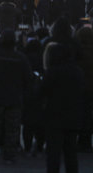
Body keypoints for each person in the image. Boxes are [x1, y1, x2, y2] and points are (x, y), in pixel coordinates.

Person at [0, 30, 32, 163]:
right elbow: (28, 78)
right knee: (12, 129)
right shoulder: (20, 57)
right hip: (15, 96)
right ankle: (10, 154)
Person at [41, 42, 85, 173]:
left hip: (54, 116)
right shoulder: (77, 71)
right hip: (73, 116)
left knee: (53, 154)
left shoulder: (52, 72)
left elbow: (41, 91)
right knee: (71, 153)